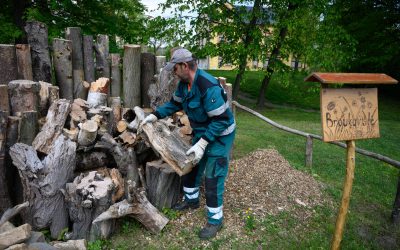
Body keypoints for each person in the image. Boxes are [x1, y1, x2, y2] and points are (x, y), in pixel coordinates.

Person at [140, 48, 235, 239]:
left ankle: (215, 220)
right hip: (202, 131)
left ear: (184, 66)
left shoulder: (208, 86)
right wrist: (154, 115)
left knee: (213, 176)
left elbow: (221, 120)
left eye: (174, 69)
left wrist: (202, 144)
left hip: (220, 134)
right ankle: (191, 200)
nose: (173, 73)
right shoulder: (184, 85)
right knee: (191, 164)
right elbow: (175, 104)